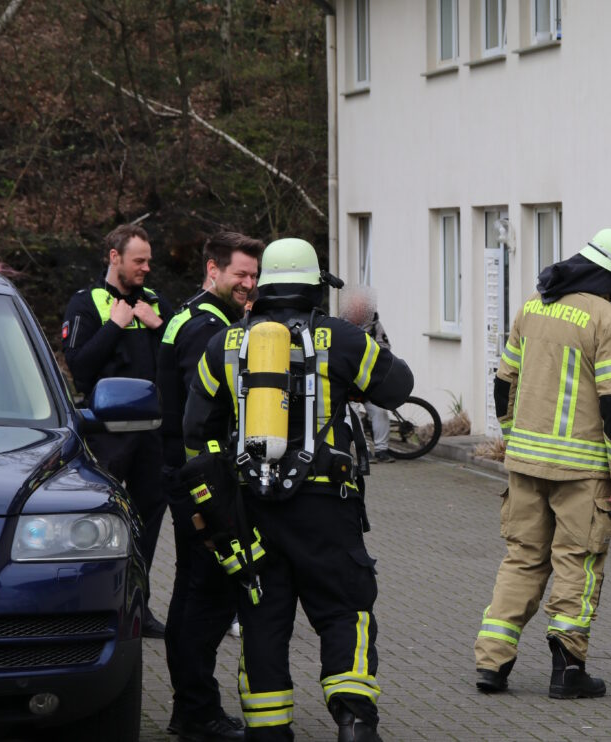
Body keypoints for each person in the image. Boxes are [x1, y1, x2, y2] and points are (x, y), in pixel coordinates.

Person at [183, 238, 413, 742]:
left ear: (260, 287)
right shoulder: (343, 338)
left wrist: (218, 514)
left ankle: (268, 729)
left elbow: (196, 434)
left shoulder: (223, 344)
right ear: (315, 286)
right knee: (344, 610)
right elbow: (398, 388)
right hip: (327, 507)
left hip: (250, 509)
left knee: (262, 619)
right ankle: (354, 722)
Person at [474, 228, 611, 700]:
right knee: (578, 562)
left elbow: (502, 385)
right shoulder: (608, 319)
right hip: (582, 471)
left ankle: (491, 664)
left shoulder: (533, 306)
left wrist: (515, 443)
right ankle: (568, 671)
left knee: (522, 559)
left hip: (526, 465)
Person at [157, 231, 263, 741]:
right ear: (212, 270)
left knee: (194, 591)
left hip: (190, 477)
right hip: (203, 484)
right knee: (208, 594)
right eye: (240, 274)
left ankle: (190, 708)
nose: (249, 284)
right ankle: (197, 711)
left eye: (254, 275)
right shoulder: (207, 330)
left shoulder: (193, 315)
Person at [62, 223, 173, 637]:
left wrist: (158, 325)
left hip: (151, 435)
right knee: (99, 523)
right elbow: (80, 368)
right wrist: (114, 325)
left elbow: (181, 363)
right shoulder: (85, 303)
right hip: (104, 435)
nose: (147, 267)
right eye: (138, 260)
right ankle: (90, 609)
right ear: (115, 258)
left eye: (148, 260)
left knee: (147, 523)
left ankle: (138, 609)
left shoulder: (157, 303)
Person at [339, 287, 394, 464]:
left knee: (380, 411)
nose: (359, 311)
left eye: (362, 307)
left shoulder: (375, 325)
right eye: (356, 307)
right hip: (348, 381)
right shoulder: (339, 325)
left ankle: (382, 449)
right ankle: (364, 450)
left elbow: (385, 347)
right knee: (352, 413)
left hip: (369, 379)